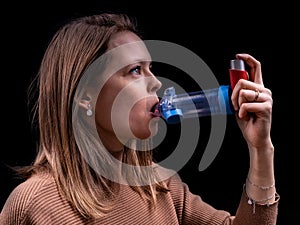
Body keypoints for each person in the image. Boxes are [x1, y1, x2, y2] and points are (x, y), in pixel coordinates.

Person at [0, 13, 279, 224]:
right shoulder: (33, 204)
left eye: (150, 68)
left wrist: (260, 149)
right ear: (85, 96)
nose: (156, 82)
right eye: (135, 70)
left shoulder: (159, 187)